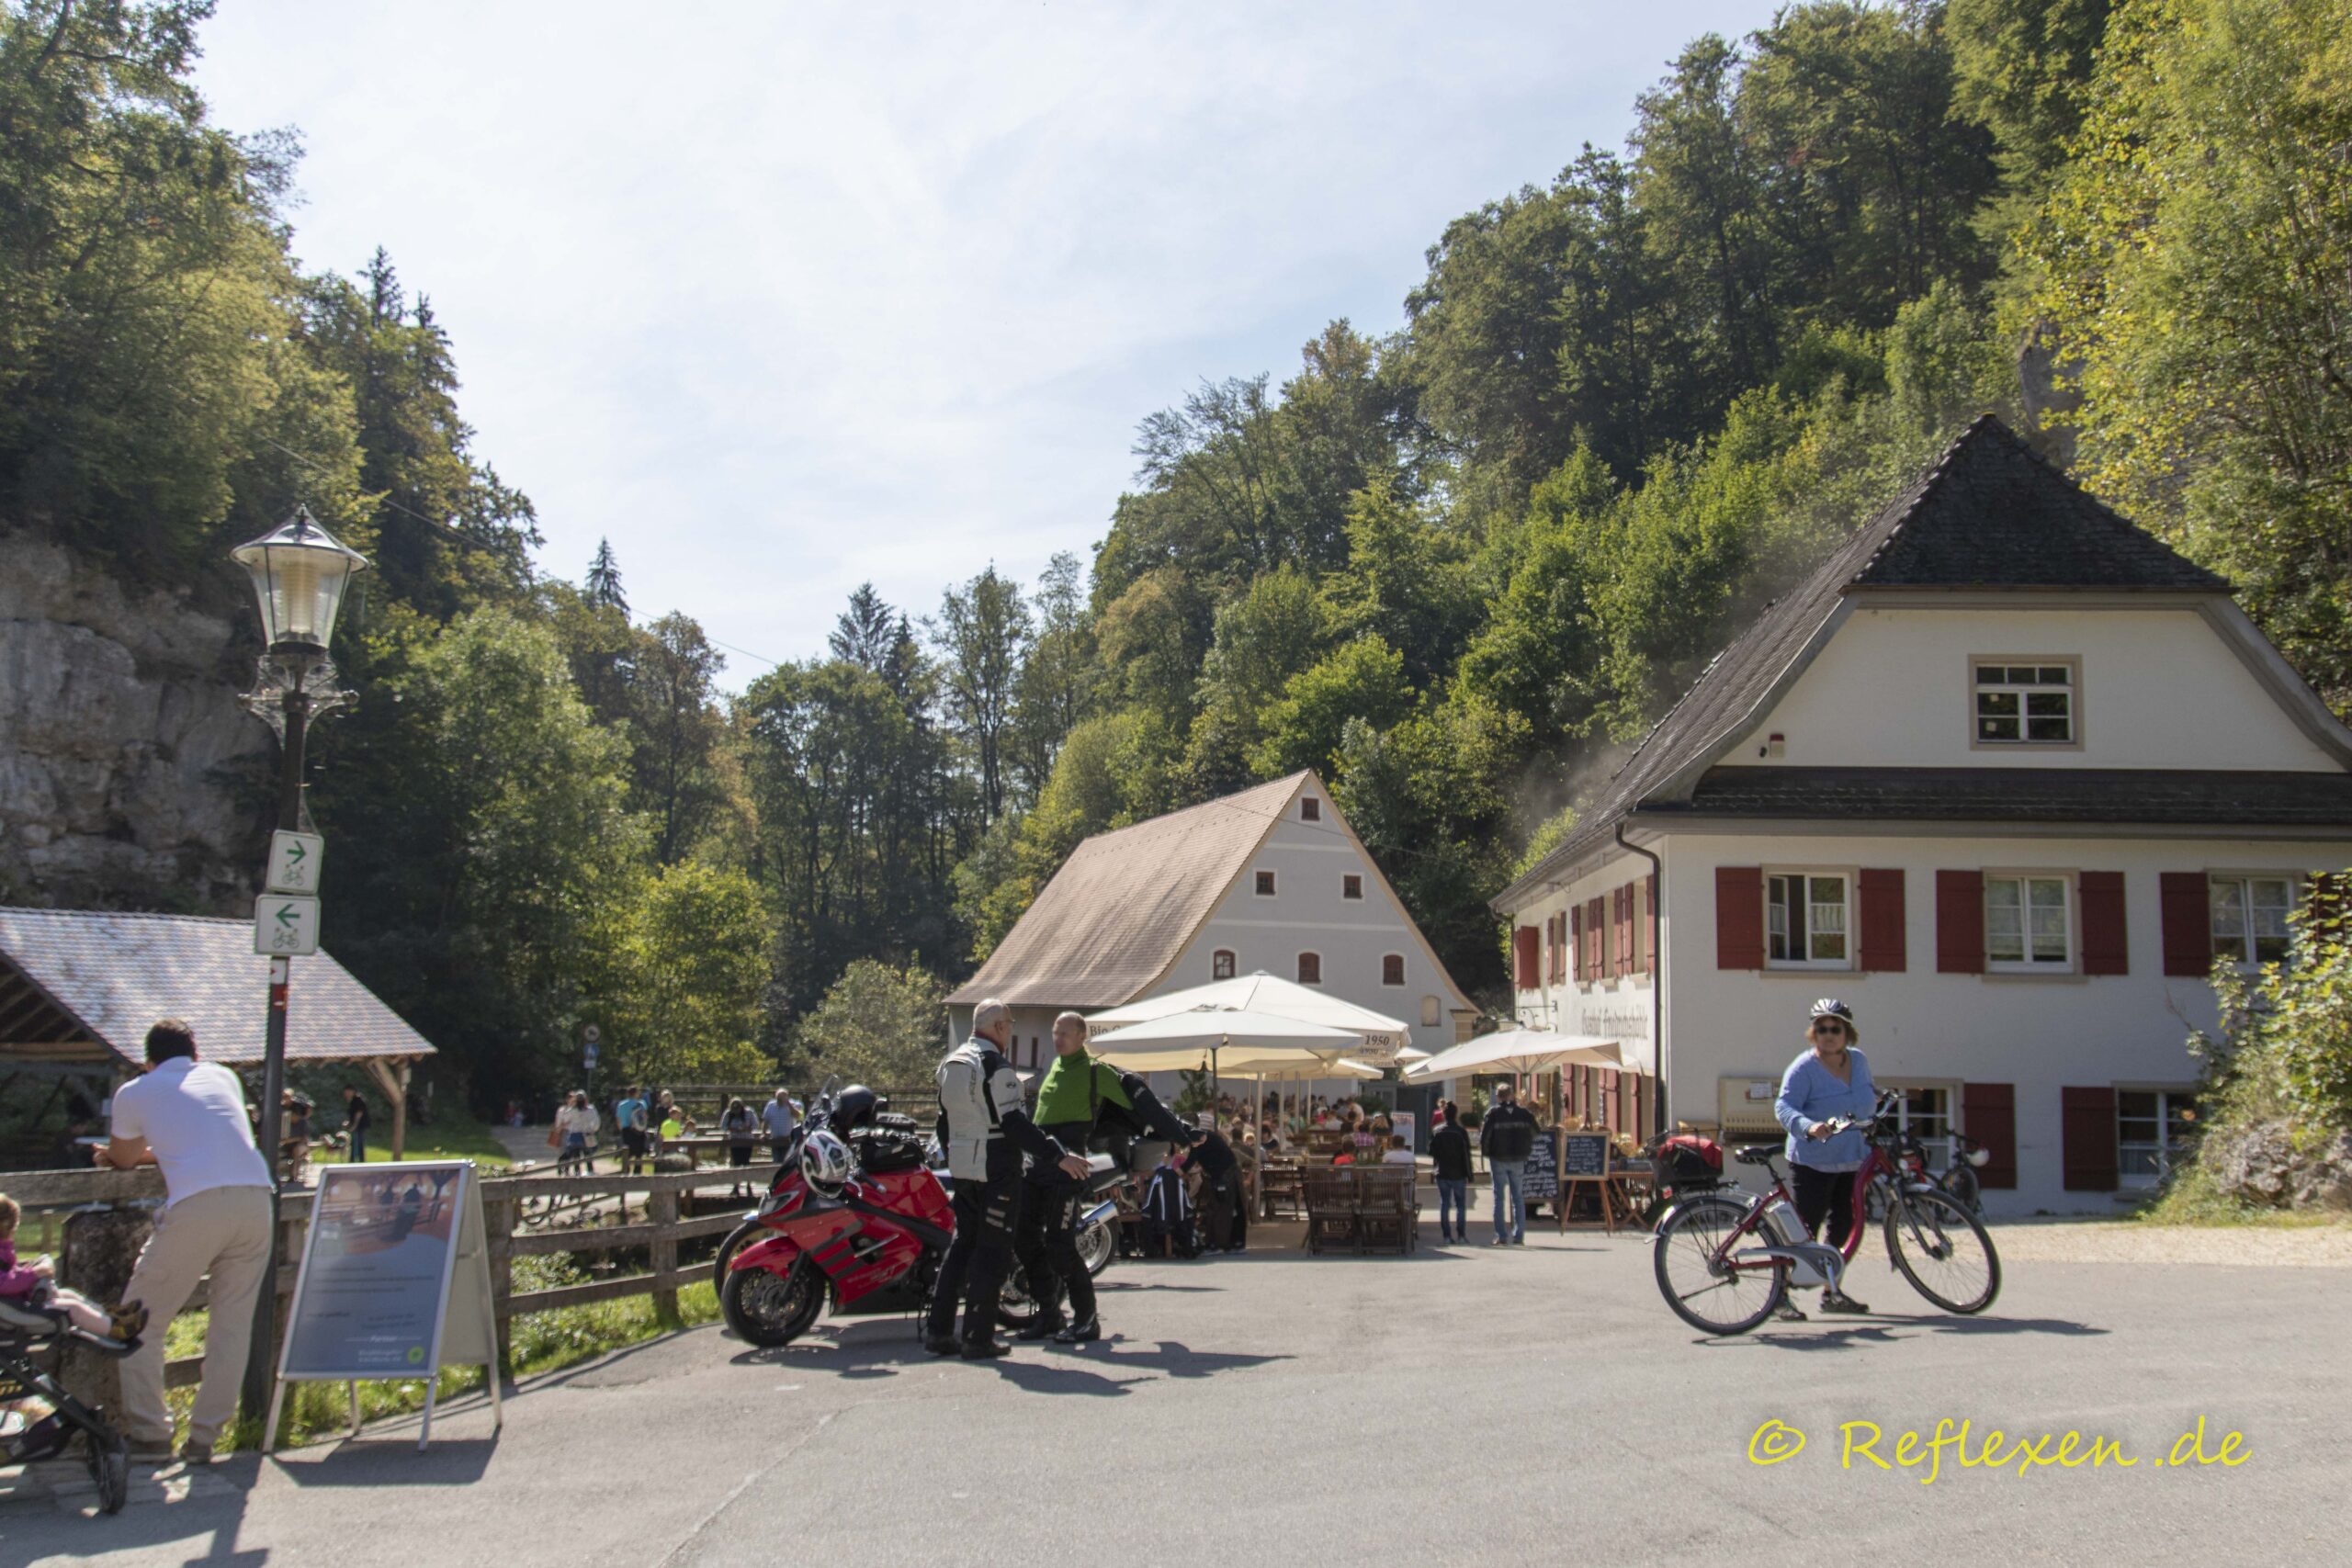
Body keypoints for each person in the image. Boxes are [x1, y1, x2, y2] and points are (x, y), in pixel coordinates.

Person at [94, 1019, 275, 1465]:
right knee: (232, 1325)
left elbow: (124, 1158)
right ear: (195, 1054)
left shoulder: (135, 1091)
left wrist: (108, 1154)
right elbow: (203, 1135)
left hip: (198, 1203)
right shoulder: (223, 1077)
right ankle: (204, 1440)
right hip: (256, 1198)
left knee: (136, 1320)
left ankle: (151, 1434)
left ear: (148, 1061)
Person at [1014, 1011, 1194, 1344]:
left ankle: (1086, 1320)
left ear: (1082, 1037)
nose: (1058, 1039)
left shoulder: (1097, 1071)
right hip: (1039, 1164)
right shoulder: (1054, 1067)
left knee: (1060, 1244)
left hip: (1070, 1167)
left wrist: (1182, 1129)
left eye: (1065, 1033)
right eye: (1055, 1032)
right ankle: (1049, 1313)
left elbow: (1146, 1105)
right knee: (1024, 1238)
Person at [927, 998, 1088, 1359]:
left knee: (962, 1246)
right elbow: (1015, 1123)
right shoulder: (995, 1066)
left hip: (962, 1165)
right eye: (1010, 1025)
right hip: (996, 1166)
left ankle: (939, 1332)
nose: (1011, 1033)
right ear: (999, 1027)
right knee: (994, 1252)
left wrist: (953, 1155)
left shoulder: (952, 1062)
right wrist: (1058, 1155)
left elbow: (943, 1121)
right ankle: (978, 1338)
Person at [1773, 999, 1878, 1317]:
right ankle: (1780, 1296)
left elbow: (1865, 1094)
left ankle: (1832, 1292)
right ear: (1813, 1033)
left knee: (1845, 1225)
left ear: (1847, 1033)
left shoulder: (1858, 1061)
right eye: (1822, 1029)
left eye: (1835, 1029)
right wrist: (1808, 1126)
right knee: (1806, 1229)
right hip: (1813, 1160)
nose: (1828, 1035)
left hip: (1852, 1157)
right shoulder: (1804, 1068)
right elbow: (1784, 1106)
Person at [0, 1194, 147, 1343]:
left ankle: (106, 1315)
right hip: (18, 1314)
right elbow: (5, 1283)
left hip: (19, 1304)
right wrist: (35, 1273)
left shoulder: (2, 1249)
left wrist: (26, 1269)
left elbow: (8, 1273)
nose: (13, 1233)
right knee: (73, 1308)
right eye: (12, 1229)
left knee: (68, 1294)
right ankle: (114, 1329)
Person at [1480, 1082, 1538, 1247]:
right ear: (1512, 1095)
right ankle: (1519, 1235)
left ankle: (1501, 1236)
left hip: (1498, 1158)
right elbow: (1535, 1132)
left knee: (1499, 1197)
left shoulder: (1493, 1114)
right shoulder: (1524, 1113)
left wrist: (1488, 1153)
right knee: (1518, 1197)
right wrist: (1525, 1146)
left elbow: (1485, 1137)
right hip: (1518, 1158)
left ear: (1498, 1097)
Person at [1188, 1123, 1245, 1253]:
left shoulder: (1200, 1140)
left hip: (1224, 1177)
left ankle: (1217, 1244)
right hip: (1227, 1175)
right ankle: (1234, 1243)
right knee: (1229, 1210)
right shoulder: (1210, 1138)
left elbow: (1191, 1159)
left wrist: (1179, 1171)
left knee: (1218, 1210)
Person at [1138, 1149, 1194, 1258]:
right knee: (1189, 1213)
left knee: (1146, 1214)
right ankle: (1187, 1249)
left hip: (1160, 1218)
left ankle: (1150, 1250)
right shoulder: (1178, 1176)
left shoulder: (1158, 1175)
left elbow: (1148, 1202)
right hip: (1179, 1217)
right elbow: (1186, 1200)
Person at [1430, 1101, 1471, 1243]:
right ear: (1456, 1114)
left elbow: (1431, 1151)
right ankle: (1461, 1235)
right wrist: (1469, 1173)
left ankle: (1447, 1236)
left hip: (1442, 1171)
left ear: (1443, 1114)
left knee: (1445, 1204)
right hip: (1459, 1172)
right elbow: (1467, 1153)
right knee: (1460, 1205)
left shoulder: (1437, 1131)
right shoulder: (1461, 1132)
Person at [554, 1090, 599, 1176]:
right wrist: (593, 1130)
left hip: (574, 1136)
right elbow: (596, 1122)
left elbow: (565, 1119)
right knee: (587, 1154)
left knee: (576, 1155)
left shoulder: (572, 1110)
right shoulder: (590, 1110)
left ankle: (577, 1172)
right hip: (586, 1135)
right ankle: (590, 1171)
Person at [720, 1096, 759, 1197]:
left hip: (747, 1141)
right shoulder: (728, 1114)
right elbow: (723, 1126)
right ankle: (736, 1187)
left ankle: (749, 1186)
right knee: (736, 1164)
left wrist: (746, 1128)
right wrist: (732, 1129)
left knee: (746, 1163)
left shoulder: (749, 1112)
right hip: (735, 1142)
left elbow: (756, 1125)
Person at [615, 1086, 650, 1175]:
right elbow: (645, 1117)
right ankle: (637, 1172)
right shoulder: (641, 1103)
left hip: (626, 1130)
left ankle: (626, 1171)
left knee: (627, 1153)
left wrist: (621, 1130)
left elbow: (618, 1119)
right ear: (636, 1093)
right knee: (639, 1154)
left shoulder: (621, 1105)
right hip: (638, 1130)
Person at [760, 1087, 797, 1166]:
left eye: (782, 1098)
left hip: (788, 1140)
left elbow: (798, 1116)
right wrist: (763, 1133)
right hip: (775, 1140)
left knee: (787, 1163)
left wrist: (788, 1104)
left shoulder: (792, 1105)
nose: (780, 1100)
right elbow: (766, 1121)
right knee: (776, 1162)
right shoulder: (771, 1105)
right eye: (779, 1098)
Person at [343, 1088, 371, 1165]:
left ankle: (358, 1161)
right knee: (354, 1143)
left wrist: (354, 1126)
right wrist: (348, 1123)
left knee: (358, 1143)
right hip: (356, 1125)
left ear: (352, 1091)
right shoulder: (352, 1101)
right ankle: (353, 1160)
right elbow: (352, 1114)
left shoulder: (358, 1100)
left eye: (348, 1092)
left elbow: (359, 1114)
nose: (346, 1094)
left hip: (359, 1126)